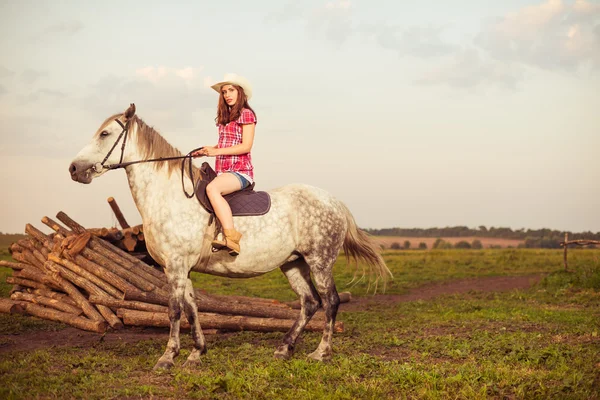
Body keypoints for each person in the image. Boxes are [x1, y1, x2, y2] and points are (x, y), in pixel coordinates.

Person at [193, 73, 257, 256]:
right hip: (224, 171)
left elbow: (246, 146)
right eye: (224, 92)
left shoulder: (246, 114)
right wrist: (208, 150)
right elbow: (224, 146)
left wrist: (216, 151)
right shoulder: (225, 118)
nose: (227, 94)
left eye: (231, 90)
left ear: (240, 93)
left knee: (212, 189)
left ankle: (232, 237)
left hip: (240, 172)